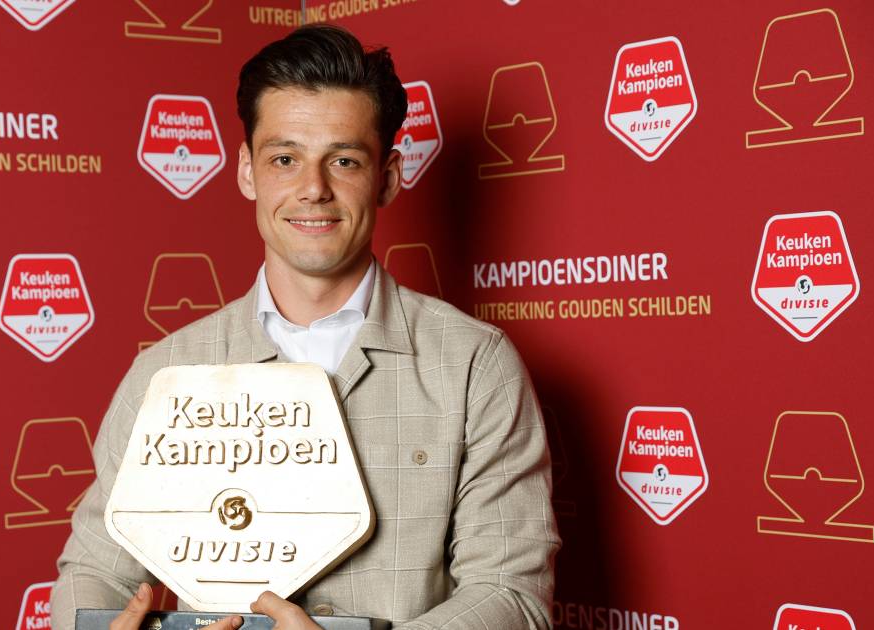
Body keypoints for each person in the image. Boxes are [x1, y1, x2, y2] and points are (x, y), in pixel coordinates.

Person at [51, 24, 559, 630]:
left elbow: (510, 594)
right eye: (285, 159)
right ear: (247, 171)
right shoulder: (167, 372)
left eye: (343, 161)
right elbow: (95, 569)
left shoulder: (475, 366)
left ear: (387, 177)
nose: (313, 189)